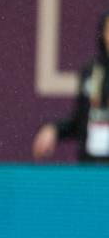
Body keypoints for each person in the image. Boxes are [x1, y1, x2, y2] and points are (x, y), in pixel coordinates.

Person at [32, 11, 109, 163]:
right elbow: (79, 121)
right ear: (103, 34)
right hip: (91, 165)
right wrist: (54, 129)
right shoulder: (91, 71)